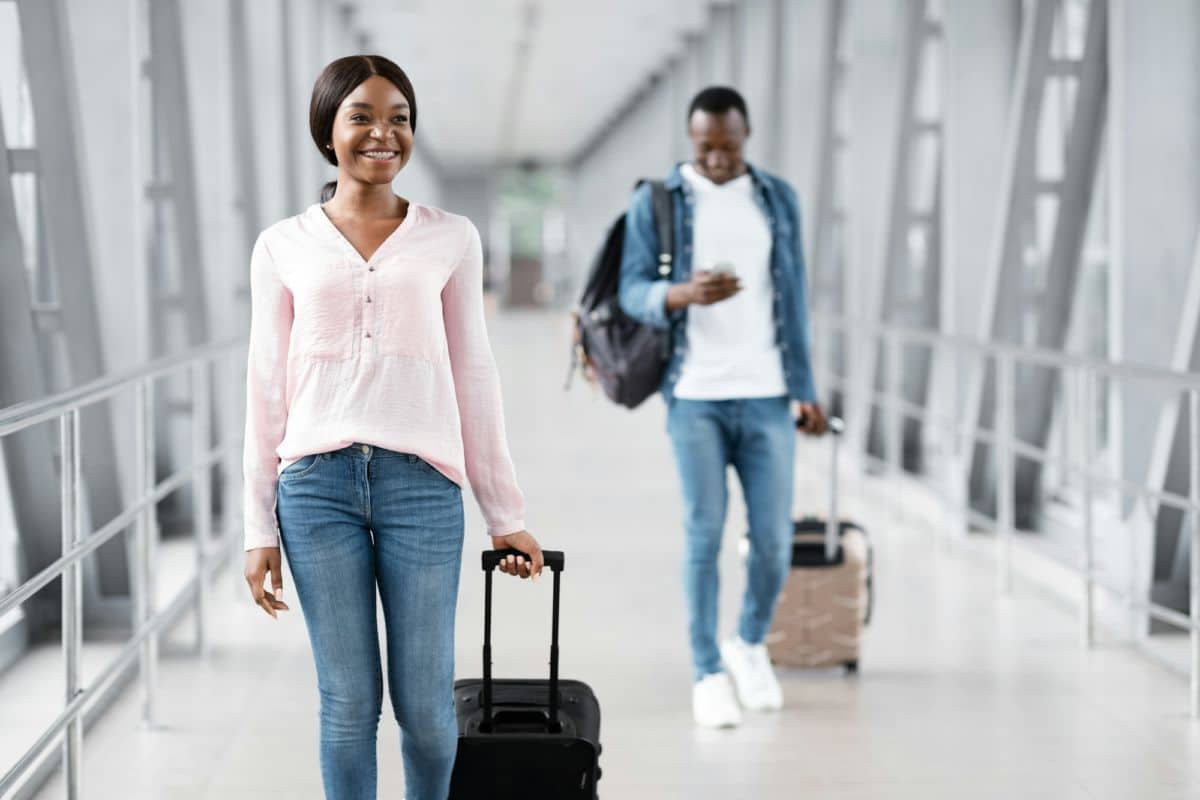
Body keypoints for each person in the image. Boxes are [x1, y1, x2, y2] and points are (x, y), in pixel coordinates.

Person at [241, 54, 543, 800]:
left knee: (427, 711)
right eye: (363, 117)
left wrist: (505, 514)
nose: (384, 133)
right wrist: (258, 527)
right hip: (316, 489)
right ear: (328, 131)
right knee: (348, 706)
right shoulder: (283, 245)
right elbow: (264, 387)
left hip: (423, 489)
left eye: (399, 118)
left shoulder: (452, 238)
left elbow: (474, 374)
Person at [618, 86, 828, 729]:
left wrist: (807, 388)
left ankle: (748, 642)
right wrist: (682, 293)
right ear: (692, 138)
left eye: (727, 147)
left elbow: (792, 298)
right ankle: (708, 670)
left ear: (746, 135)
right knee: (704, 534)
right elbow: (631, 292)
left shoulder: (777, 199)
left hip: (767, 395)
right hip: (696, 396)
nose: (714, 159)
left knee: (771, 542)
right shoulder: (657, 203)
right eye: (704, 146)